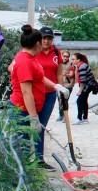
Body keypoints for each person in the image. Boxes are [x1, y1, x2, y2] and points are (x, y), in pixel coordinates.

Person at [8, 25, 69, 168]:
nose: (45, 43)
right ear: (37, 44)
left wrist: (56, 86)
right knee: (22, 141)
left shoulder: (31, 58)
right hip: (21, 109)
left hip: (34, 105)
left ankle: (34, 165)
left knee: (33, 134)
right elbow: (26, 92)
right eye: (42, 40)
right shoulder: (24, 62)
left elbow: (40, 77)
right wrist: (34, 117)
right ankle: (22, 176)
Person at [34, 26, 65, 157]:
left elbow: (59, 73)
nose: (46, 41)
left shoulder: (56, 53)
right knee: (32, 125)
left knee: (42, 125)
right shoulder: (34, 51)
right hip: (35, 93)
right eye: (44, 38)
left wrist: (62, 90)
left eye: (49, 38)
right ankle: (30, 156)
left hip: (50, 94)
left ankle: (38, 158)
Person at [72, 53, 97, 124]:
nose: (72, 60)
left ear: (78, 60)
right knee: (84, 101)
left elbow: (83, 81)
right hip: (88, 85)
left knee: (79, 101)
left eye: (73, 59)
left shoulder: (82, 66)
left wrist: (80, 91)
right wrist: (76, 69)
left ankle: (79, 118)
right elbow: (78, 80)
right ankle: (85, 118)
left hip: (88, 86)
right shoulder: (79, 66)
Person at [57, 50, 76, 121]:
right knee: (59, 100)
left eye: (67, 56)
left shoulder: (71, 64)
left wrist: (66, 74)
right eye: (64, 56)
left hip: (68, 85)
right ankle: (61, 115)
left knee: (65, 100)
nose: (65, 58)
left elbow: (72, 74)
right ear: (62, 56)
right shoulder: (59, 63)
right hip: (59, 85)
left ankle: (65, 117)